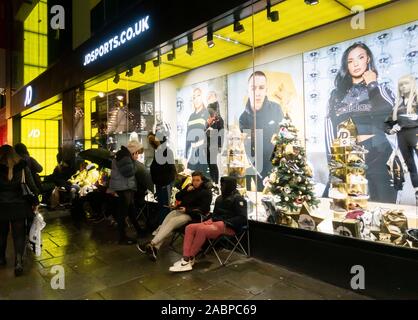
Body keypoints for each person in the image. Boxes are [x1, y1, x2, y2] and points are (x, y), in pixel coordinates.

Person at [326, 42, 396, 203]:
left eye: (360, 57)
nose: (356, 63)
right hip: (345, 157)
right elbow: (330, 129)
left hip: (378, 156)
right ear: (346, 65)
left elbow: (389, 116)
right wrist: (334, 162)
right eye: (350, 61)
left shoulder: (381, 88)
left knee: (383, 209)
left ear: (368, 59)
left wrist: (372, 84)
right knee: (343, 208)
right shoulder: (336, 95)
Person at [169, 176, 247, 272]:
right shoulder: (219, 198)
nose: (222, 187)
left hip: (229, 227)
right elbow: (215, 214)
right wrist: (211, 220)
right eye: (221, 184)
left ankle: (188, 259)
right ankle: (186, 258)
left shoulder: (238, 199)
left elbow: (242, 218)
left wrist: (224, 222)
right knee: (190, 227)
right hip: (215, 223)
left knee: (202, 230)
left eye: (224, 185)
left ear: (230, 186)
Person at [137, 171, 212, 261]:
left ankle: (152, 243)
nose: (195, 182)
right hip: (181, 210)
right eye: (194, 180)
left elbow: (204, 209)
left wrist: (187, 210)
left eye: (198, 180)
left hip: (192, 215)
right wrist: (185, 191)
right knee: (168, 219)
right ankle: (155, 248)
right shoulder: (189, 187)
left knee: (172, 222)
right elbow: (178, 197)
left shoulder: (206, 192)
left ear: (202, 181)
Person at [239, 71, 284, 191]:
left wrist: (276, 171)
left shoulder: (276, 110)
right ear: (248, 90)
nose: (257, 93)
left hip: (277, 170)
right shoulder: (243, 119)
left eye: (261, 88)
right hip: (257, 171)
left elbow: (283, 141)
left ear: (266, 90)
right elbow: (249, 150)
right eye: (253, 88)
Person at [0, 145, 39, 276]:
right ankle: (18, 262)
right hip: (19, 206)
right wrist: (36, 198)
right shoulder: (22, 166)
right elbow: (31, 184)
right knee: (19, 235)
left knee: (1, 234)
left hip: (1, 206)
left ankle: (1, 259)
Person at [384, 74, 418, 198]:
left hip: (416, 134)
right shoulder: (397, 106)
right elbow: (388, 122)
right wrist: (391, 129)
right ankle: (417, 191)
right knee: (410, 165)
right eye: (401, 85)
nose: (403, 87)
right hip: (402, 137)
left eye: (406, 84)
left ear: (412, 84)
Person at [109, 140, 143, 244]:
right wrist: (134, 162)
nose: (138, 155)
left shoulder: (123, 155)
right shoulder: (125, 157)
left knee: (130, 210)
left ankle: (139, 230)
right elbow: (129, 173)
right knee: (123, 213)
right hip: (124, 188)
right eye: (137, 152)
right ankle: (122, 237)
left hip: (125, 187)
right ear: (134, 151)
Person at [148, 132, 176, 224]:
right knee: (162, 205)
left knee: (164, 205)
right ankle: (162, 225)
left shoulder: (166, 152)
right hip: (161, 183)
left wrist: (163, 182)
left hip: (164, 183)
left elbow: (169, 170)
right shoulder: (160, 152)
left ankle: (163, 225)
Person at [186, 87, 210, 176]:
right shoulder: (191, 116)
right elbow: (187, 138)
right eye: (194, 97)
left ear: (202, 97)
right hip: (193, 153)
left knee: (204, 179)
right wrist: (185, 156)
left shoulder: (207, 113)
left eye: (198, 96)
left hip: (204, 152)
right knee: (191, 179)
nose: (196, 99)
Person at [205, 97, 224, 184]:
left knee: (213, 164)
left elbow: (221, 134)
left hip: (214, 145)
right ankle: (212, 182)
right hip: (206, 144)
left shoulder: (220, 120)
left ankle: (216, 182)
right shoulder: (208, 120)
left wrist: (220, 146)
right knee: (209, 164)